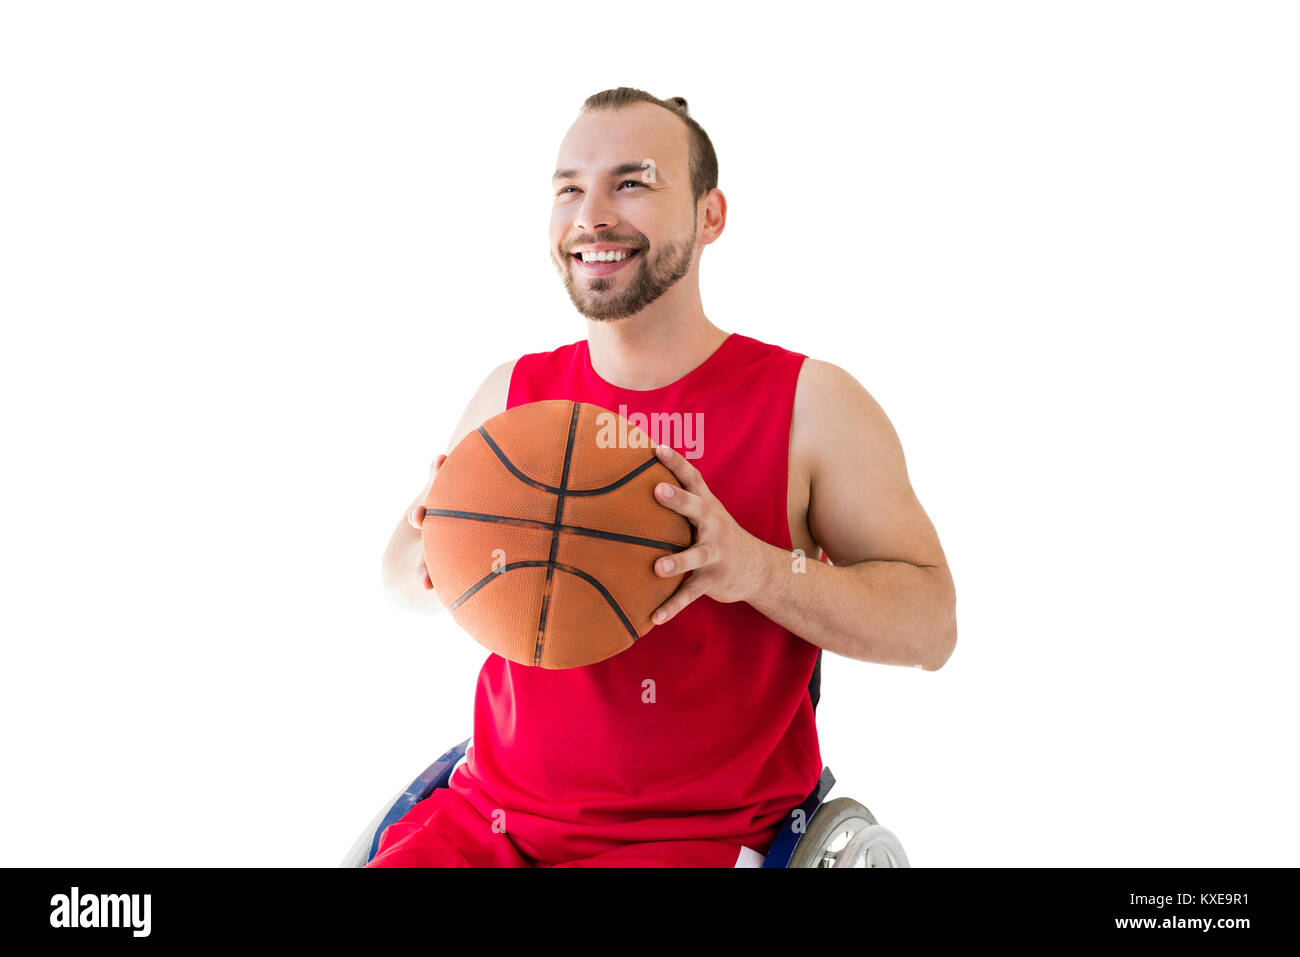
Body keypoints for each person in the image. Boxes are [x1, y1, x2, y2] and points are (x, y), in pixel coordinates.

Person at [366, 88, 957, 868]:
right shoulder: (511, 395)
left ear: (711, 216)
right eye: (569, 188)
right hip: (492, 821)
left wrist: (753, 567)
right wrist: (442, 539)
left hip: (702, 839)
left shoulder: (813, 405)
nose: (592, 214)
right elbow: (400, 585)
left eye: (632, 182)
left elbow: (932, 627)